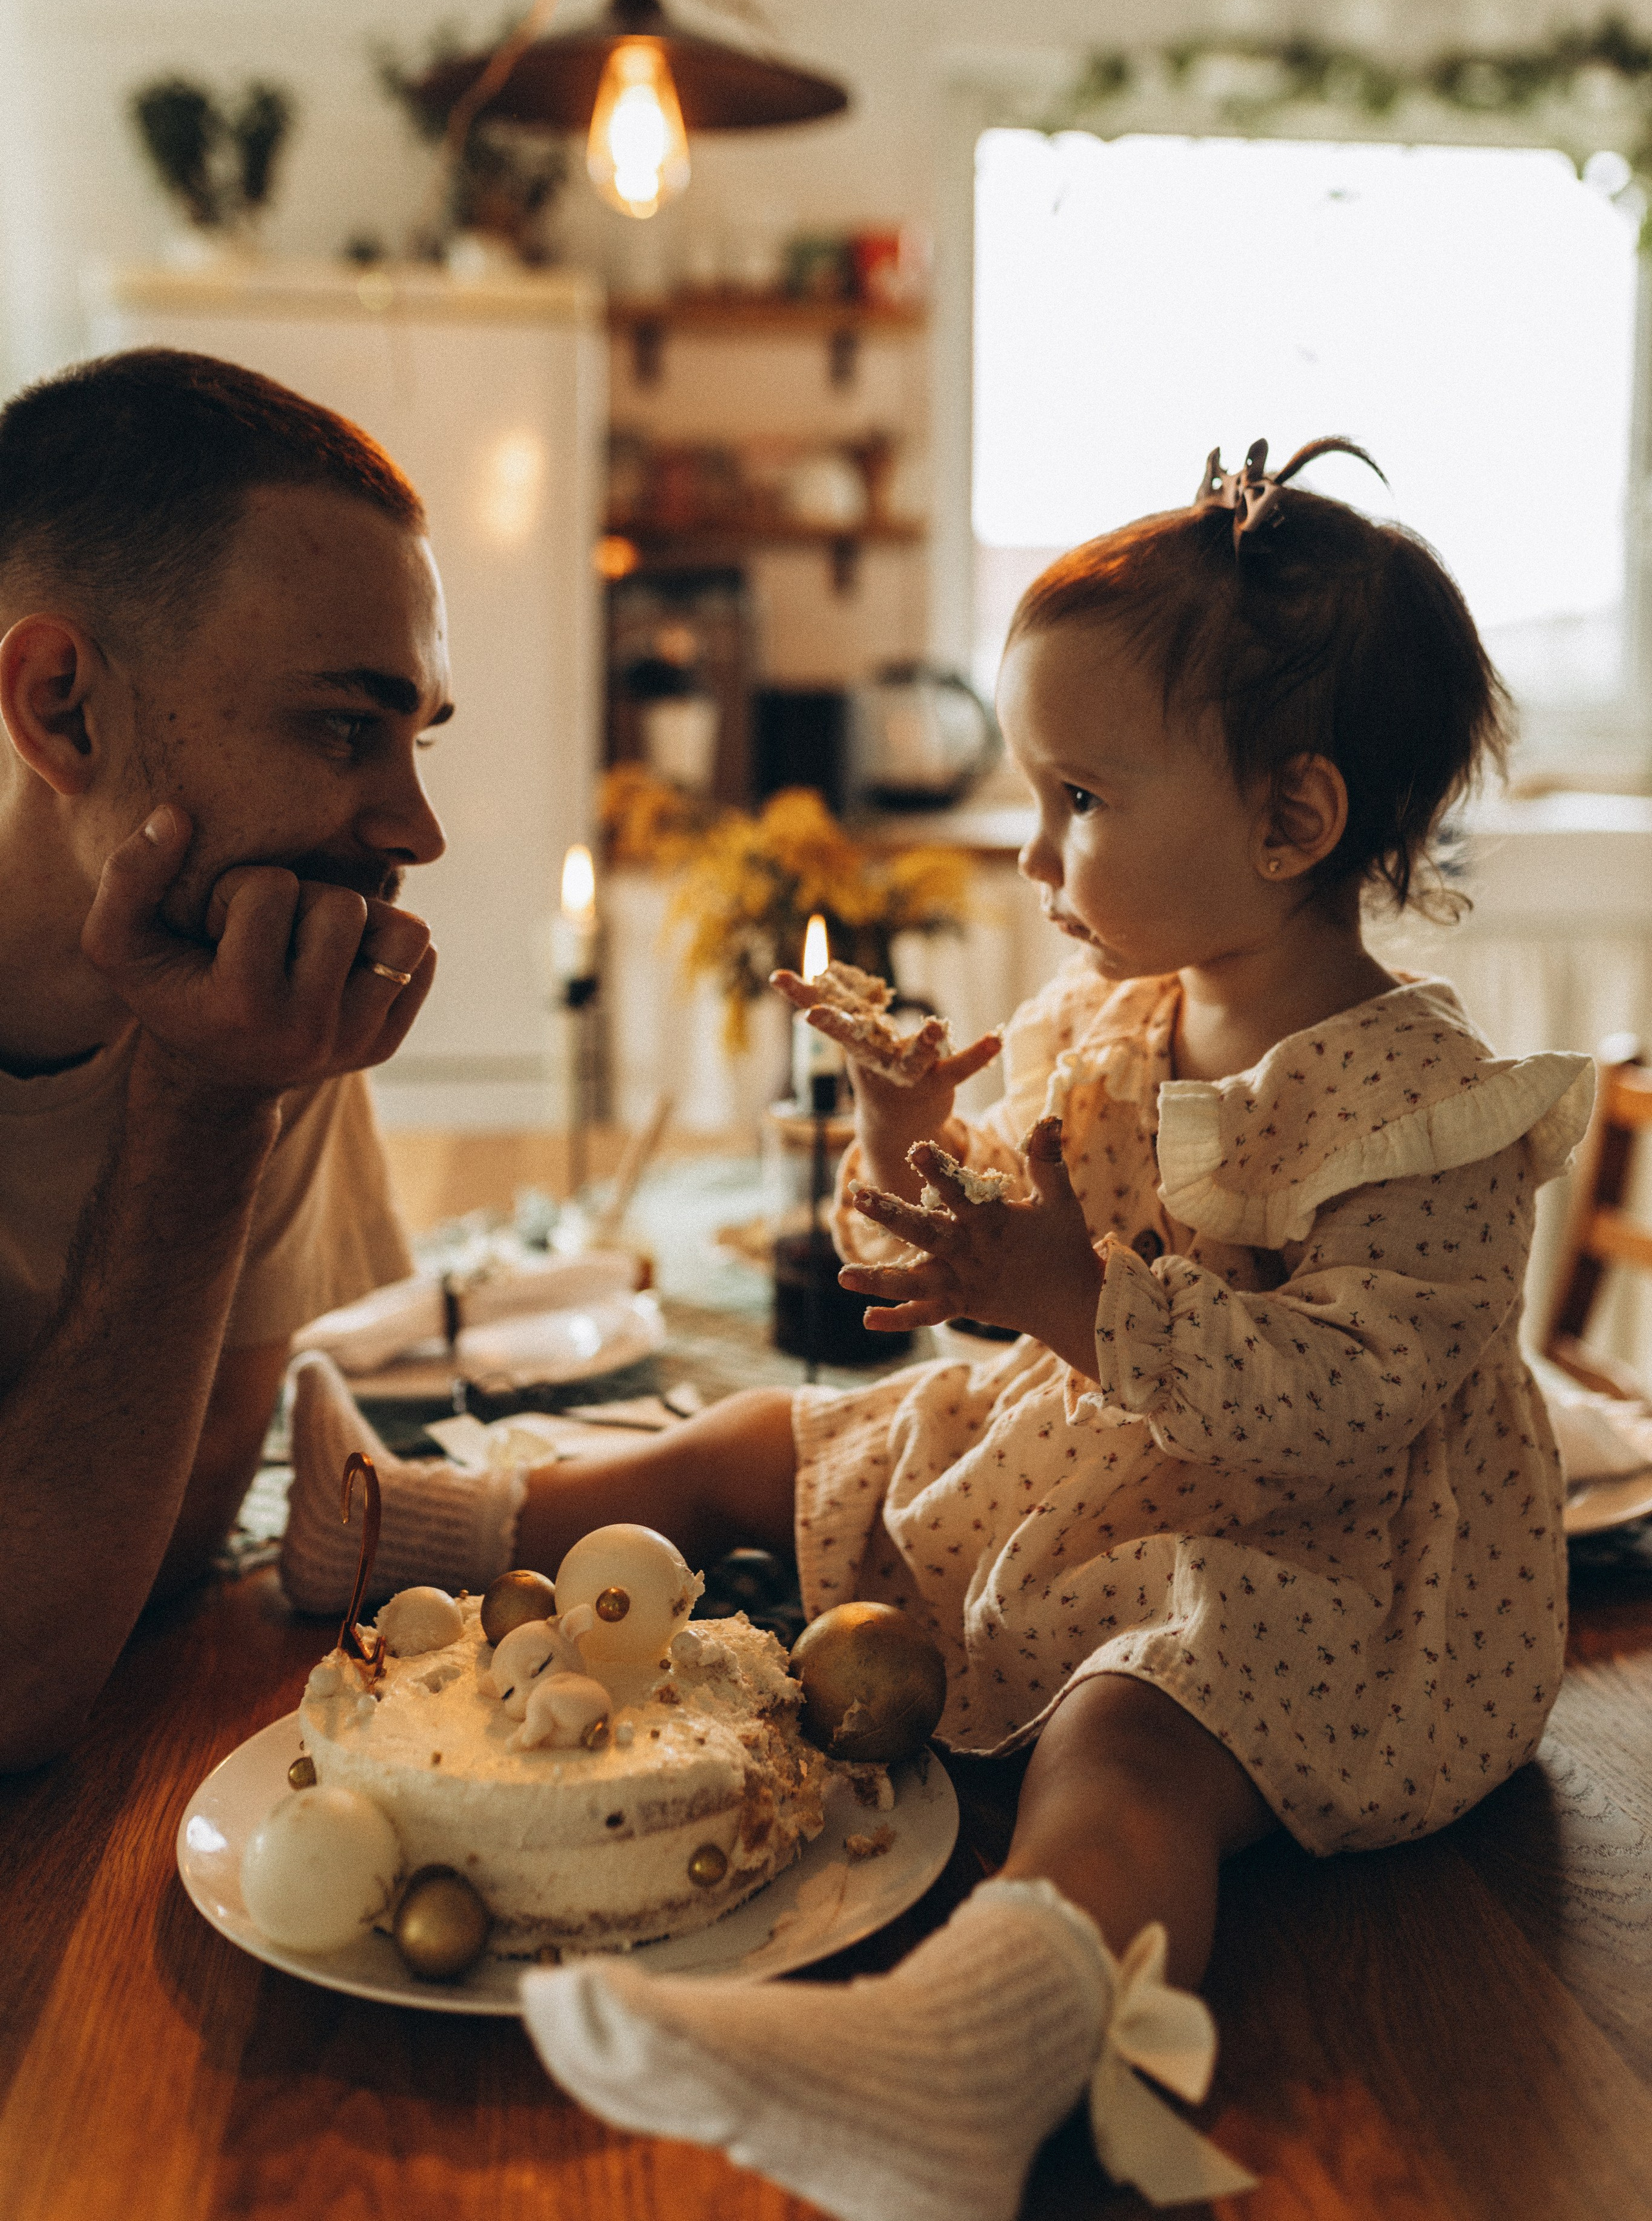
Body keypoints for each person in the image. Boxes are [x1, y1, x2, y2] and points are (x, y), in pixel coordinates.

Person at [284, 435, 1593, 2219]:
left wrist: (1065, 1294)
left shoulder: (1423, 1103)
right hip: (1111, 1464)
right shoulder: (1117, 1014)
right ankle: (423, 1528)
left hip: (1332, 1576)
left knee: (1129, 1733)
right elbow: (955, 1245)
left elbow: (1339, 1409)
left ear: (1293, 820)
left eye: (1083, 801)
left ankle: (974, 2056)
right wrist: (913, 1146)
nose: (1037, 851)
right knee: (786, 1442)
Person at [0, 346, 452, 1773]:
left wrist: (228, 1091)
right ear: (63, 707)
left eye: (414, 736)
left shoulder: (244, 991)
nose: (414, 826)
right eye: (341, 725)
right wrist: (206, 1111)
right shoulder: (234, 1040)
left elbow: (177, 1534)